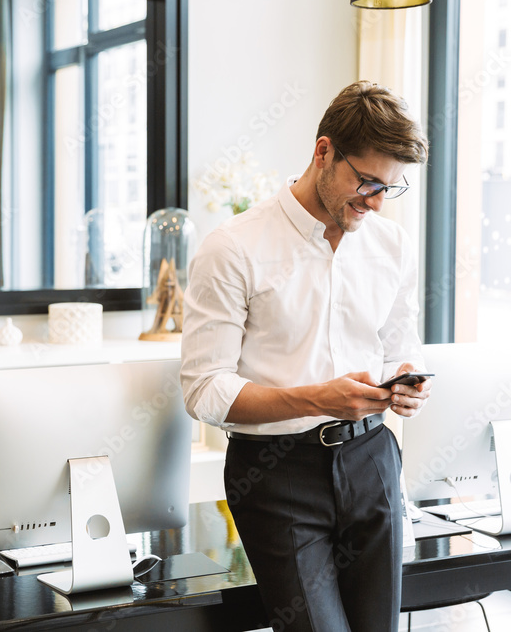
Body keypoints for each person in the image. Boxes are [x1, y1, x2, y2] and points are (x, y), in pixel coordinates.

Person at [181, 81, 432, 632]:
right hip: (277, 477)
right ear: (323, 152)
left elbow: (399, 345)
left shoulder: (391, 245)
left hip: (373, 461)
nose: (374, 202)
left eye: (389, 189)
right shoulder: (234, 247)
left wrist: (404, 384)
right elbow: (204, 390)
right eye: (365, 182)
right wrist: (318, 398)